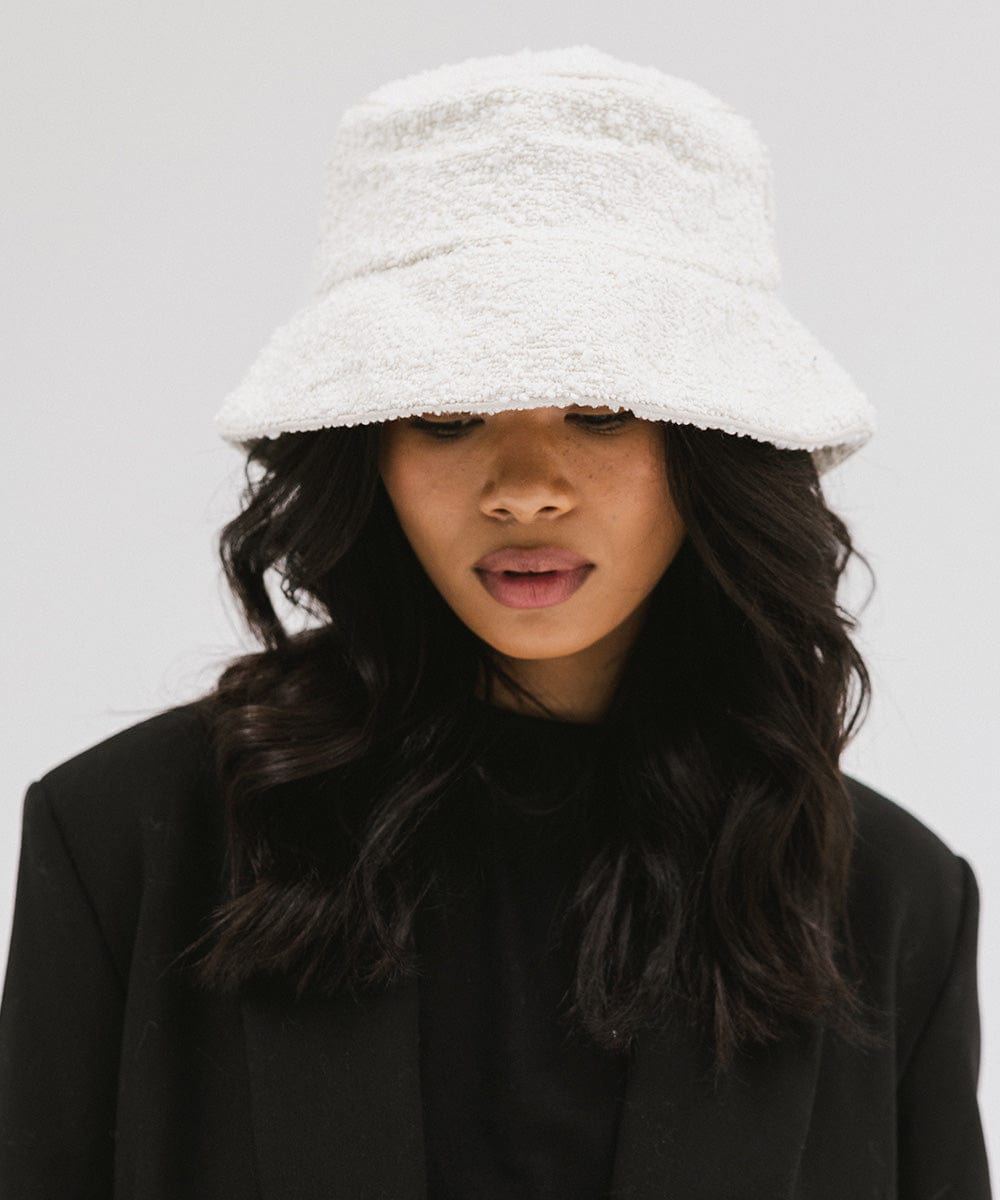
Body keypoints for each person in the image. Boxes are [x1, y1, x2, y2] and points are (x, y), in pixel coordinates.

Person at [0, 44, 991, 1200]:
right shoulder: (127, 841)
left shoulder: (887, 900)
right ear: (365, 449)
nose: (524, 484)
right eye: (448, 414)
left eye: (603, 411)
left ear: (713, 449)